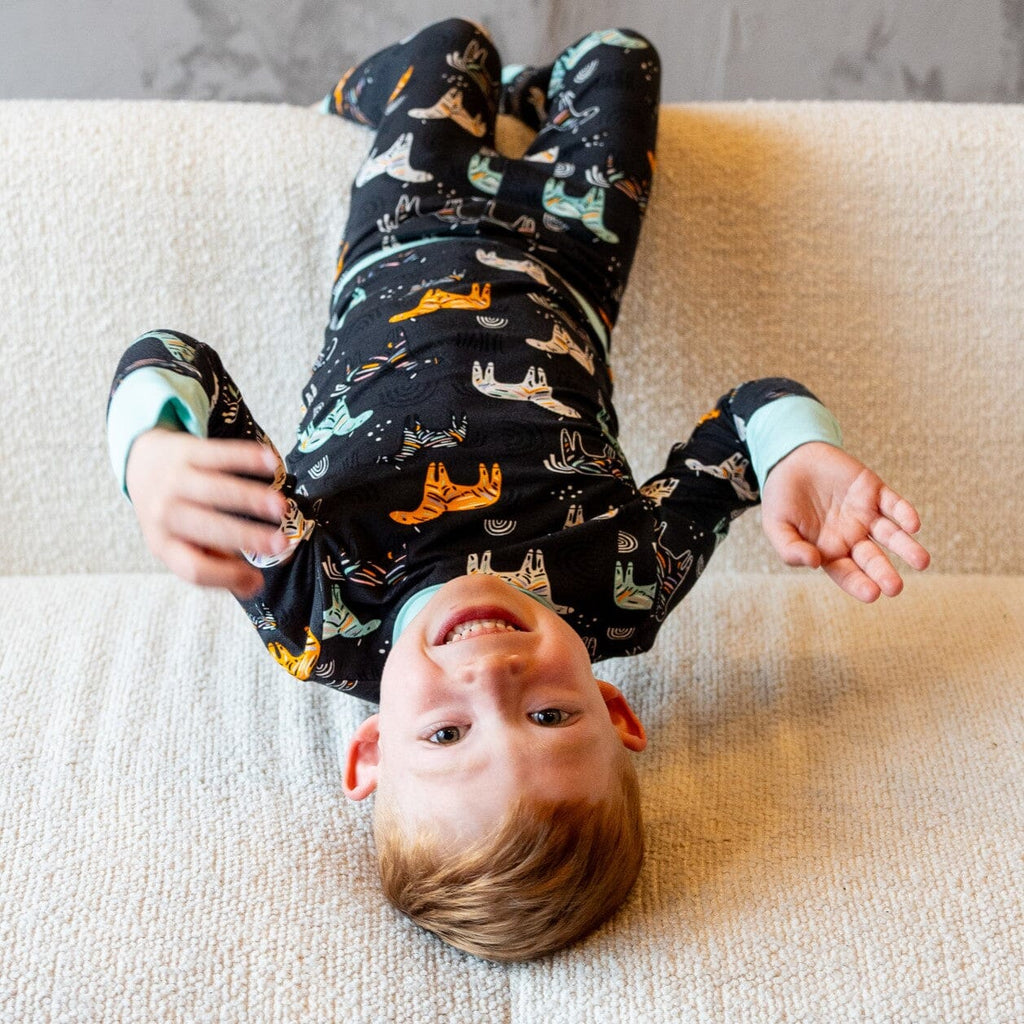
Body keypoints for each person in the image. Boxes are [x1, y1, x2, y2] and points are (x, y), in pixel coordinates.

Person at [107, 18, 930, 961]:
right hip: (574, 257)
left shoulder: (318, 608)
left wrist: (153, 457)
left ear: (372, 751)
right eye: (550, 716)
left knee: (455, 46)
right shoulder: (625, 583)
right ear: (617, 714)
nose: (492, 680)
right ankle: (532, 97)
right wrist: (797, 457)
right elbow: (742, 422)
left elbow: (173, 357)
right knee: (622, 54)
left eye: (448, 734)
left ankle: (386, 92)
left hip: (400, 228)